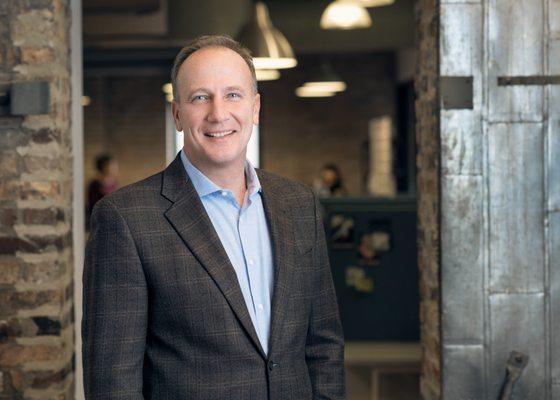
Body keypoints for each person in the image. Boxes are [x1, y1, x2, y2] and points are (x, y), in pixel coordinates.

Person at [82, 35, 345, 399]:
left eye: (233, 95)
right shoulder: (125, 219)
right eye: (200, 97)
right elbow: (113, 382)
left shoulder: (299, 204)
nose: (218, 114)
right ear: (177, 114)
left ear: (255, 108)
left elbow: (324, 346)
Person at [85, 154, 119, 229]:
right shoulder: (95, 184)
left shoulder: (114, 184)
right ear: (104, 167)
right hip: (100, 223)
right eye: (112, 165)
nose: (116, 167)